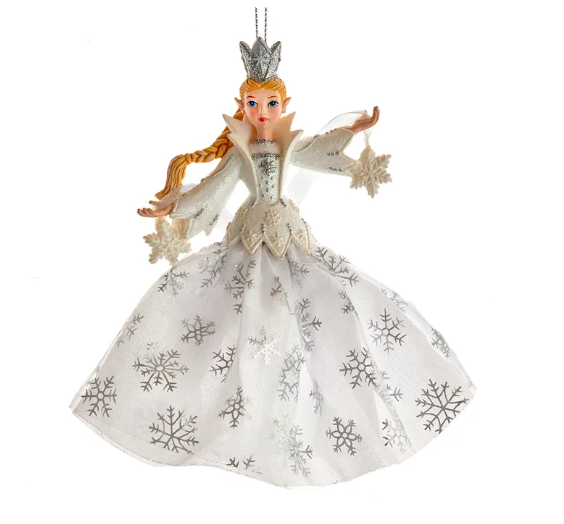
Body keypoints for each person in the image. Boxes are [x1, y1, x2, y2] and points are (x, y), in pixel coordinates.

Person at [70, 9, 476, 490]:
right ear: (241, 105)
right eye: (252, 103)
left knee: (327, 307)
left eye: (270, 103)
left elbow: (322, 150)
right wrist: (173, 205)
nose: (261, 112)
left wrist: (354, 130)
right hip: (249, 238)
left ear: (283, 106)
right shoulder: (239, 153)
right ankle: (235, 416)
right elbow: (212, 188)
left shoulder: (289, 146)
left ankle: (302, 419)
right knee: (233, 318)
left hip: (289, 237)